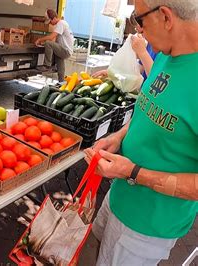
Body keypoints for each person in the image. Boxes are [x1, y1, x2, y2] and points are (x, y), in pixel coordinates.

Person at [84, 0, 198, 265]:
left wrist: (132, 172)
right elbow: (148, 109)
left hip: (148, 225)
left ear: (166, 17)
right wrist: (121, 135)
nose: (138, 32)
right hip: (119, 195)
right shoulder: (168, 54)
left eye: (139, 20)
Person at [35, 9, 74, 82]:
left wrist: (40, 40)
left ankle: (47, 65)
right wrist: (45, 44)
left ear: (54, 18)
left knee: (48, 43)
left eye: (50, 21)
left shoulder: (61, 24)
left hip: (65, 50)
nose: (50, 24)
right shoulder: (62, 23)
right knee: (60, 66)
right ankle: (61, 82)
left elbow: (51, 37)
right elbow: (54, 40)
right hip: (66, 50)